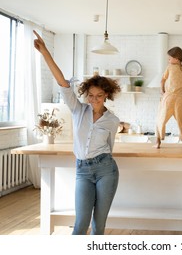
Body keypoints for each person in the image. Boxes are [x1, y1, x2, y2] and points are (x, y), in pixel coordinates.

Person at [33, 30, 121, 235]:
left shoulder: (112, 121)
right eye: (90, 95)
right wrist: (45, 52)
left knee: (99, 224)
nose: (94, 99)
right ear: (86, 95)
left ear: (106, 95)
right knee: (81, 223)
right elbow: (63, 83)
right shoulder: (78, 110)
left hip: (106, 170)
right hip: (82, 170)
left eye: (99, 96)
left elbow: (110, 146)